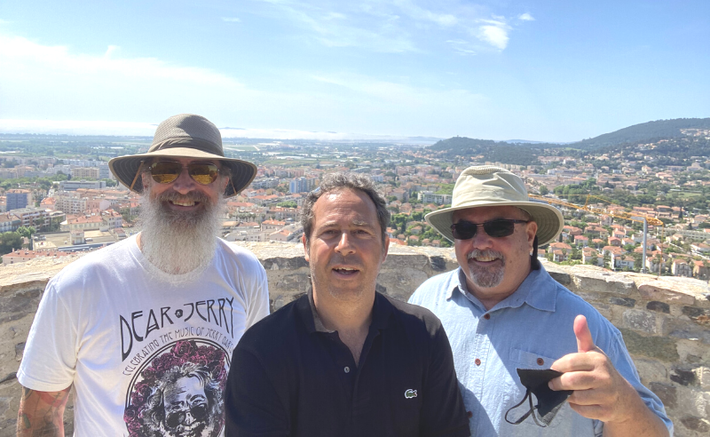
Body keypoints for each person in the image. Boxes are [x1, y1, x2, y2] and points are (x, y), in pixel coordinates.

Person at [17, 114, 270, 436]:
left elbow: (254, 380)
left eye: (203, 172)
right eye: (165, 169)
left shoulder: (245, 271)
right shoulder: (79, 285)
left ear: (223, 183)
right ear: (145, 180)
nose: (183, 185)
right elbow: (40, 410)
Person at [409, 165, 673, 437]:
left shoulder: (586, 327)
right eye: (464, 229)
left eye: (498, 227)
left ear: (530, 234)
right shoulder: (426, 302)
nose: (481, 242)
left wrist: (623, 407)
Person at [224, 173, 470, 437]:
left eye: (360, 232)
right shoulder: (261, 351)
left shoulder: (423, 333)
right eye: (330, 232)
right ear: (306, 247)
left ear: (385, 248)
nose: (345, 246)